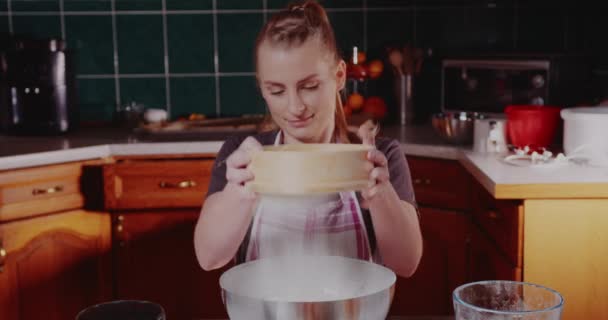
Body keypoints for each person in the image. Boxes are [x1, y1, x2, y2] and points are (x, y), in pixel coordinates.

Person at [194, 0, 422, 278]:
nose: (295, 107)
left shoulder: (380, 155)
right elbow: (209, 257)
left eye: (309, 86)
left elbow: (406, 263)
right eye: (277, 91)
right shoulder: (241, 156)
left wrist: (381, 193)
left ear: (339, 76)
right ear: (262, 87)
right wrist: (236, 194)